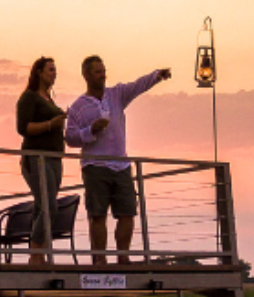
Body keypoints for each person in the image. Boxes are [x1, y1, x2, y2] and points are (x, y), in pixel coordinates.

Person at [64, 56, 170, 264]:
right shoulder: (78, 107)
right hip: (94, 165)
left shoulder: (116, 95)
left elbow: (138, 86)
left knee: (127, 212)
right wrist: (90, 130)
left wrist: (157, 75)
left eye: (104, 71)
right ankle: (100, 260)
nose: (103, 75)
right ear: (86, 75)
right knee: (97, 214)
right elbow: (70, 138)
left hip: (121, 164)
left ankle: (123, 257)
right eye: (97, 72)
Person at [16, 57, 68, 266]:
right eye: (50, 70)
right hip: (37, 157)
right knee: (49, 205)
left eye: (55, 70)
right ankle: (36, 254)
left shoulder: (48, 99)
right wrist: (50, 124)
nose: (53, 74)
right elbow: (23, 128)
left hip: (54, 158)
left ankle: (39, 254)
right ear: (38, 72)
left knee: (42, 205)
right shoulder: (29, 98)